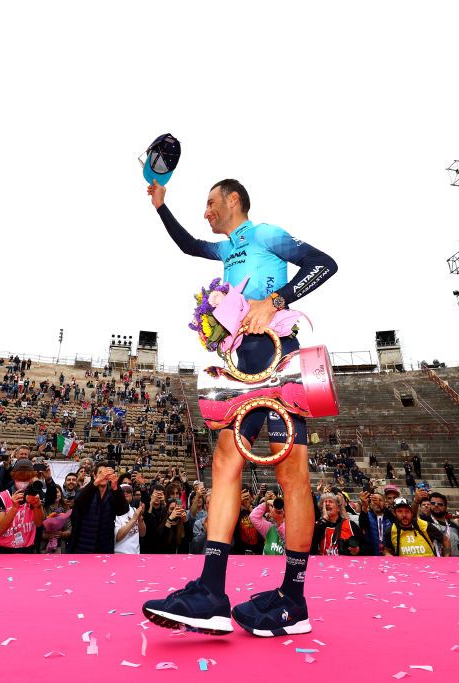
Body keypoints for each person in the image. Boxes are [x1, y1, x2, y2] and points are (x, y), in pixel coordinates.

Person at [142, 177, 337, 638]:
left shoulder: (267, 234)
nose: (205, 211)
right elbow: (189, 245)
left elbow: (325, 264)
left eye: (210, 202)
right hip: (237, 366)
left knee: (293, 476)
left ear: (234, 199)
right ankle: (211, 591)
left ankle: (294, 596)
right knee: (224, 463)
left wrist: (275, 301)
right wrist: (159, 206)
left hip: (278, 355)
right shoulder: (224, 250)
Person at [68, 461, 128, 553]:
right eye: (100, 473)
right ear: (94, 475)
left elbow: (123, 510)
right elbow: (78, 502)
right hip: (83, 545)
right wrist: (95, 482)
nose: (103, 476)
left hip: (105, 546)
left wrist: (116, 487)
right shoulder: (86, 491)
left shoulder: (113, 493)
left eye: (105, 474)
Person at [383, 497, 447, 557]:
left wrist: (446, 557)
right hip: (406, 567)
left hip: (429, 566)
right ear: (394, 513)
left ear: (411, 512)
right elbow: (387, 550)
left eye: (407, 511)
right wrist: (388, 556)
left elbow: (445, 540)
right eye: (400, 511)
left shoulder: (424, 525)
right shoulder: (391, 530)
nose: (404, 515)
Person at [114, 484, 145, 554]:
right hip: (120, 556)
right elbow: (117, 537)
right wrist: (134, 519)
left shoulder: (134, 510)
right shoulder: (114, 512)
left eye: (128, 491)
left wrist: (140, 517)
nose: (125, 493)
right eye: (122, 491)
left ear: (132, 495)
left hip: (136, 555)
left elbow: (142, 534)